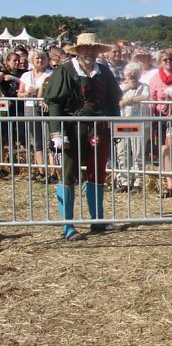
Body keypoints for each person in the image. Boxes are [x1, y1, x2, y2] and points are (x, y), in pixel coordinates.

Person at [43, 33, 123, 240]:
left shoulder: (104, 71)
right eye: (86, 48)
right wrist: (57, 133)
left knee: (97, 173)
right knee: (68, 174)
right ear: (78, 50)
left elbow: (113, 101)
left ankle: (97, 220)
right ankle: (67, 226)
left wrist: (115, 126)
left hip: (99, 129)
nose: (89, 52)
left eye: (93, 48)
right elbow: (55, 103)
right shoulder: (65, 71)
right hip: (72, 129)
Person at [149, 48, 172, 197]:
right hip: (161, 117)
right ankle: (170, 184)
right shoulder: (155, 78)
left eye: (171, 59)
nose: (168, 62)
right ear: (160, 62)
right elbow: (152, 97)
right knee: (165, 148)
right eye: (165, 60)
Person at [17, 49, 54, 181]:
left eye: (42, 58)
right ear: (32, 60)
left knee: (48, 141)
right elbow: (19, 94)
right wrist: (26, 93)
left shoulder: (51, 74)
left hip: (45, 109)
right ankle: (41, 170)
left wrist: (42, 90)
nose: (40, 60)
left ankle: (53, 172)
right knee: (36, 141)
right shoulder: (26, 75)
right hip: (30, 108)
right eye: (37, 58)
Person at [114, 62, 150, 193]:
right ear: (126, 74)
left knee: (138, 153)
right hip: (122, 123)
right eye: (130, 74)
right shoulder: (119, 87)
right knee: (122, 152)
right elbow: (115, 100)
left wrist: (127, 101)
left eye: (135, 74)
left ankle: (138, 181)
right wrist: (128, 88)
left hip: (138, 123)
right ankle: (124, 181)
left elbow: (145, 97)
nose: (133, 76)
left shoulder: (144, 86)